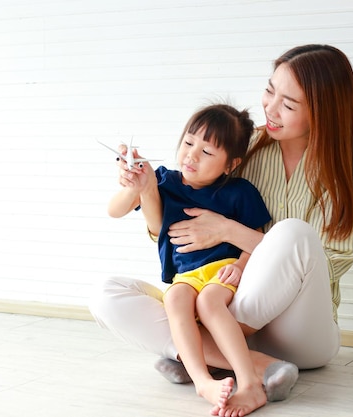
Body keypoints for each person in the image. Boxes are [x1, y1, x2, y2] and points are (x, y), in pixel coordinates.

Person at [90, 44, 353, 417]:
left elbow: (325, 266)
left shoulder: (348, 172)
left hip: (300, 333)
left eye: (288, 105)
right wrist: (143, 189)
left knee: (293, 234)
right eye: (270, 90)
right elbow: (174, 232)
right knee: (107, 295)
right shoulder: (242, 146)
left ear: (323, 113)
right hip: (224, 308)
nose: (270, 109)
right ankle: (254, 367)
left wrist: (227, 230)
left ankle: (203, 356)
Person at [106, 103, 272, 415]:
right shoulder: (164, 182)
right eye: (189, 143)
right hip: (185, 276)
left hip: (222, 270)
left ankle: (249, 382)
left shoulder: (239, 191)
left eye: (207, 152)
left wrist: (239, 265)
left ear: (230, 164)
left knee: (209, 303)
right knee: (176, 300)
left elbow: (258, 241)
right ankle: (202, 382)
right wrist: (135, 187)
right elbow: (114, 211)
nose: (192, 155)